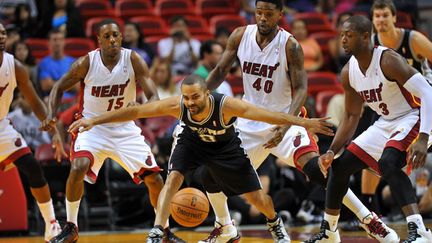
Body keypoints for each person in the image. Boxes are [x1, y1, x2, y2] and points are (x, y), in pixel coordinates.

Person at [203, 0, 399, 242]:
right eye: (259, 12)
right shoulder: (240, 35)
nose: (263, 18)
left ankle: (369, 219)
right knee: (211, 173)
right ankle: (225, 227)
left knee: (317, 170)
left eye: (269, 13)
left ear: (280, 15)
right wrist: (199, 94)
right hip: (250, 123)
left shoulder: (290, 45)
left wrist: (286, 124)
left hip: (286, 118)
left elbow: (301, 90)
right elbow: (221, 70)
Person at [67, 74, 335, 243]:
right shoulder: (178, 105)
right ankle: (158, 230)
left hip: (226, 147)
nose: (191, 102)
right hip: (192, 143)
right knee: (171, 180)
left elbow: (269, 116)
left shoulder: (227, 105)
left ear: (207, 94)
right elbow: (135, 110)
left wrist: (304, 121)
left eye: (195, 97)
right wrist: (94, 120)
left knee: (256, 198)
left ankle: (274, 222)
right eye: (187, 97)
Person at [40, 19, 183, 243]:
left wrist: (142, 107)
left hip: (124, 128)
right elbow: (58, 87)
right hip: (91, 127)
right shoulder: (86, 63)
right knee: (78, 166)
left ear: (121, 37)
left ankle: (163, 231)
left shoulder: (133, 59)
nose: (112, 40)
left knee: (155, 179)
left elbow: (153, 97)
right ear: (99, 40)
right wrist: (51, 115)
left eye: (115, 35)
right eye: (107, 36)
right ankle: (71, 227)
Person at [311, 15, 432, 242]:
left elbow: (427, 92)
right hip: (386, 121)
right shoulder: (348, 72)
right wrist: (331, 151)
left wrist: (424, 138)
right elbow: (351, 115)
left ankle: (421, 231)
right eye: (342, 35)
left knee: (388, 162)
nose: (343, 40)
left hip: (414, 115)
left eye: (349, 35)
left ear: (365, 37)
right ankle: (329, 231)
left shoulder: (388, 60)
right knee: (339, 168)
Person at [357, 0, 432, 213]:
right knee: (368, 152)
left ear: (394, 17)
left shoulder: (413, 39)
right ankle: (369, 207)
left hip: (419, 102)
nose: (381, 20)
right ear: (372, 20)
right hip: (389, 104)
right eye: (377, 16)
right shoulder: (370, 44)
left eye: (385, 15)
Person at [0, 23, 64, 242]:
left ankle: (51, 225)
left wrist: (53, 129)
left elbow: (35, 100)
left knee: (33, 167)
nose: (1, 36)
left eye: (3, 33)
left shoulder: (14, 66)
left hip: (2, 127)